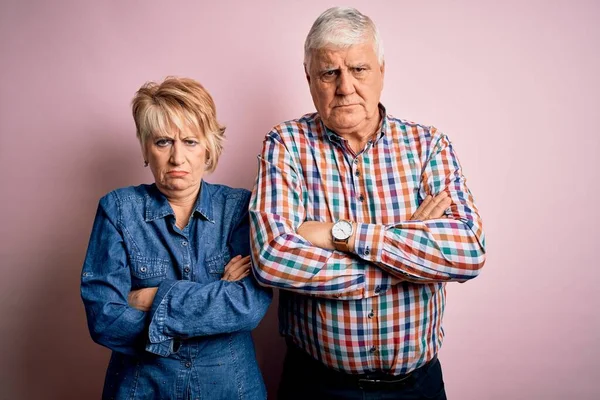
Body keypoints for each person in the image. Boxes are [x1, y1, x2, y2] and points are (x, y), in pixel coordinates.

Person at [249, 7, 486, 400]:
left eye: (358, 69)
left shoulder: (428, 145)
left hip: (417, 386)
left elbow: (469, 250)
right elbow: (272, 257)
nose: (345, 87)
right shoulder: (285, 144)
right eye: (329, 73)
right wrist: (408, 260)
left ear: (381, 71)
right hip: (317, 385)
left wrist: (341, 234)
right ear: (309, 79)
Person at [81, 77, 271, 400]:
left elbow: (248, 305)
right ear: (145, 148)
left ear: (209, 147)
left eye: (191, 142)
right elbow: (103, 317)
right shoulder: (117, 210)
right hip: (142, 390)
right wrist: (215, 296)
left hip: (230, 390)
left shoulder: (240, 209)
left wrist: (151, 299)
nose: (177, 158)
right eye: (163, 142)